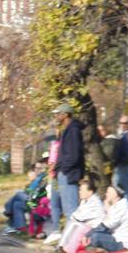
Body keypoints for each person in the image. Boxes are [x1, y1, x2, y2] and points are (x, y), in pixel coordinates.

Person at [45, 104, 85, 245]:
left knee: (71, 211)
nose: (55, 116)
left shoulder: (73, 130)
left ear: (66, 114)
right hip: (62, 173)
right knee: (61, 206)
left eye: (58, 113)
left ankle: (72, 243)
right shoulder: (66, 130)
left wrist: (63, 169)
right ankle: (65, 240)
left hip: (68, 174)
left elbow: (73, 155)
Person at [53, 178, 105, 253]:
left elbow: (79, 217)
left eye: (81, 190)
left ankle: (68, 251)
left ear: (90, 192)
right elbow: (76, 215)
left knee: (76, 225)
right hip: (87, 225)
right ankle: (62, 247)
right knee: (73, 223)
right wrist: (75, 217)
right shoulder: (85, 201)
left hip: (96, 228)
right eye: (79, 190)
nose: (79, 192)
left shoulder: (95, 202)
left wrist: (75, 217)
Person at [85, 185, 128, 253]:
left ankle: (97, 247)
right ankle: (96, 247)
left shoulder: (122, 207)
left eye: (108, 192)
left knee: (95, 236)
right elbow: (106, 221)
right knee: (94, 232)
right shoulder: (117, 205)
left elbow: (107, 225)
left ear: (116, 194)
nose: (106, 194)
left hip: (121, 243)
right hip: (114, 237)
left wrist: (88, 234)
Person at [3, 163, 48, 234]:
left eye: (40, 168)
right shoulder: (36, 179)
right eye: (36, 168)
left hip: (35, 201)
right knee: (16, 204)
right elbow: (29, 190)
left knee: (18, 194)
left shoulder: (44, 178)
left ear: (44, 169)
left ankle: (8, 210)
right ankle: (21, 227)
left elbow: (39, 191)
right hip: (29, 199)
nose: (37, 169)